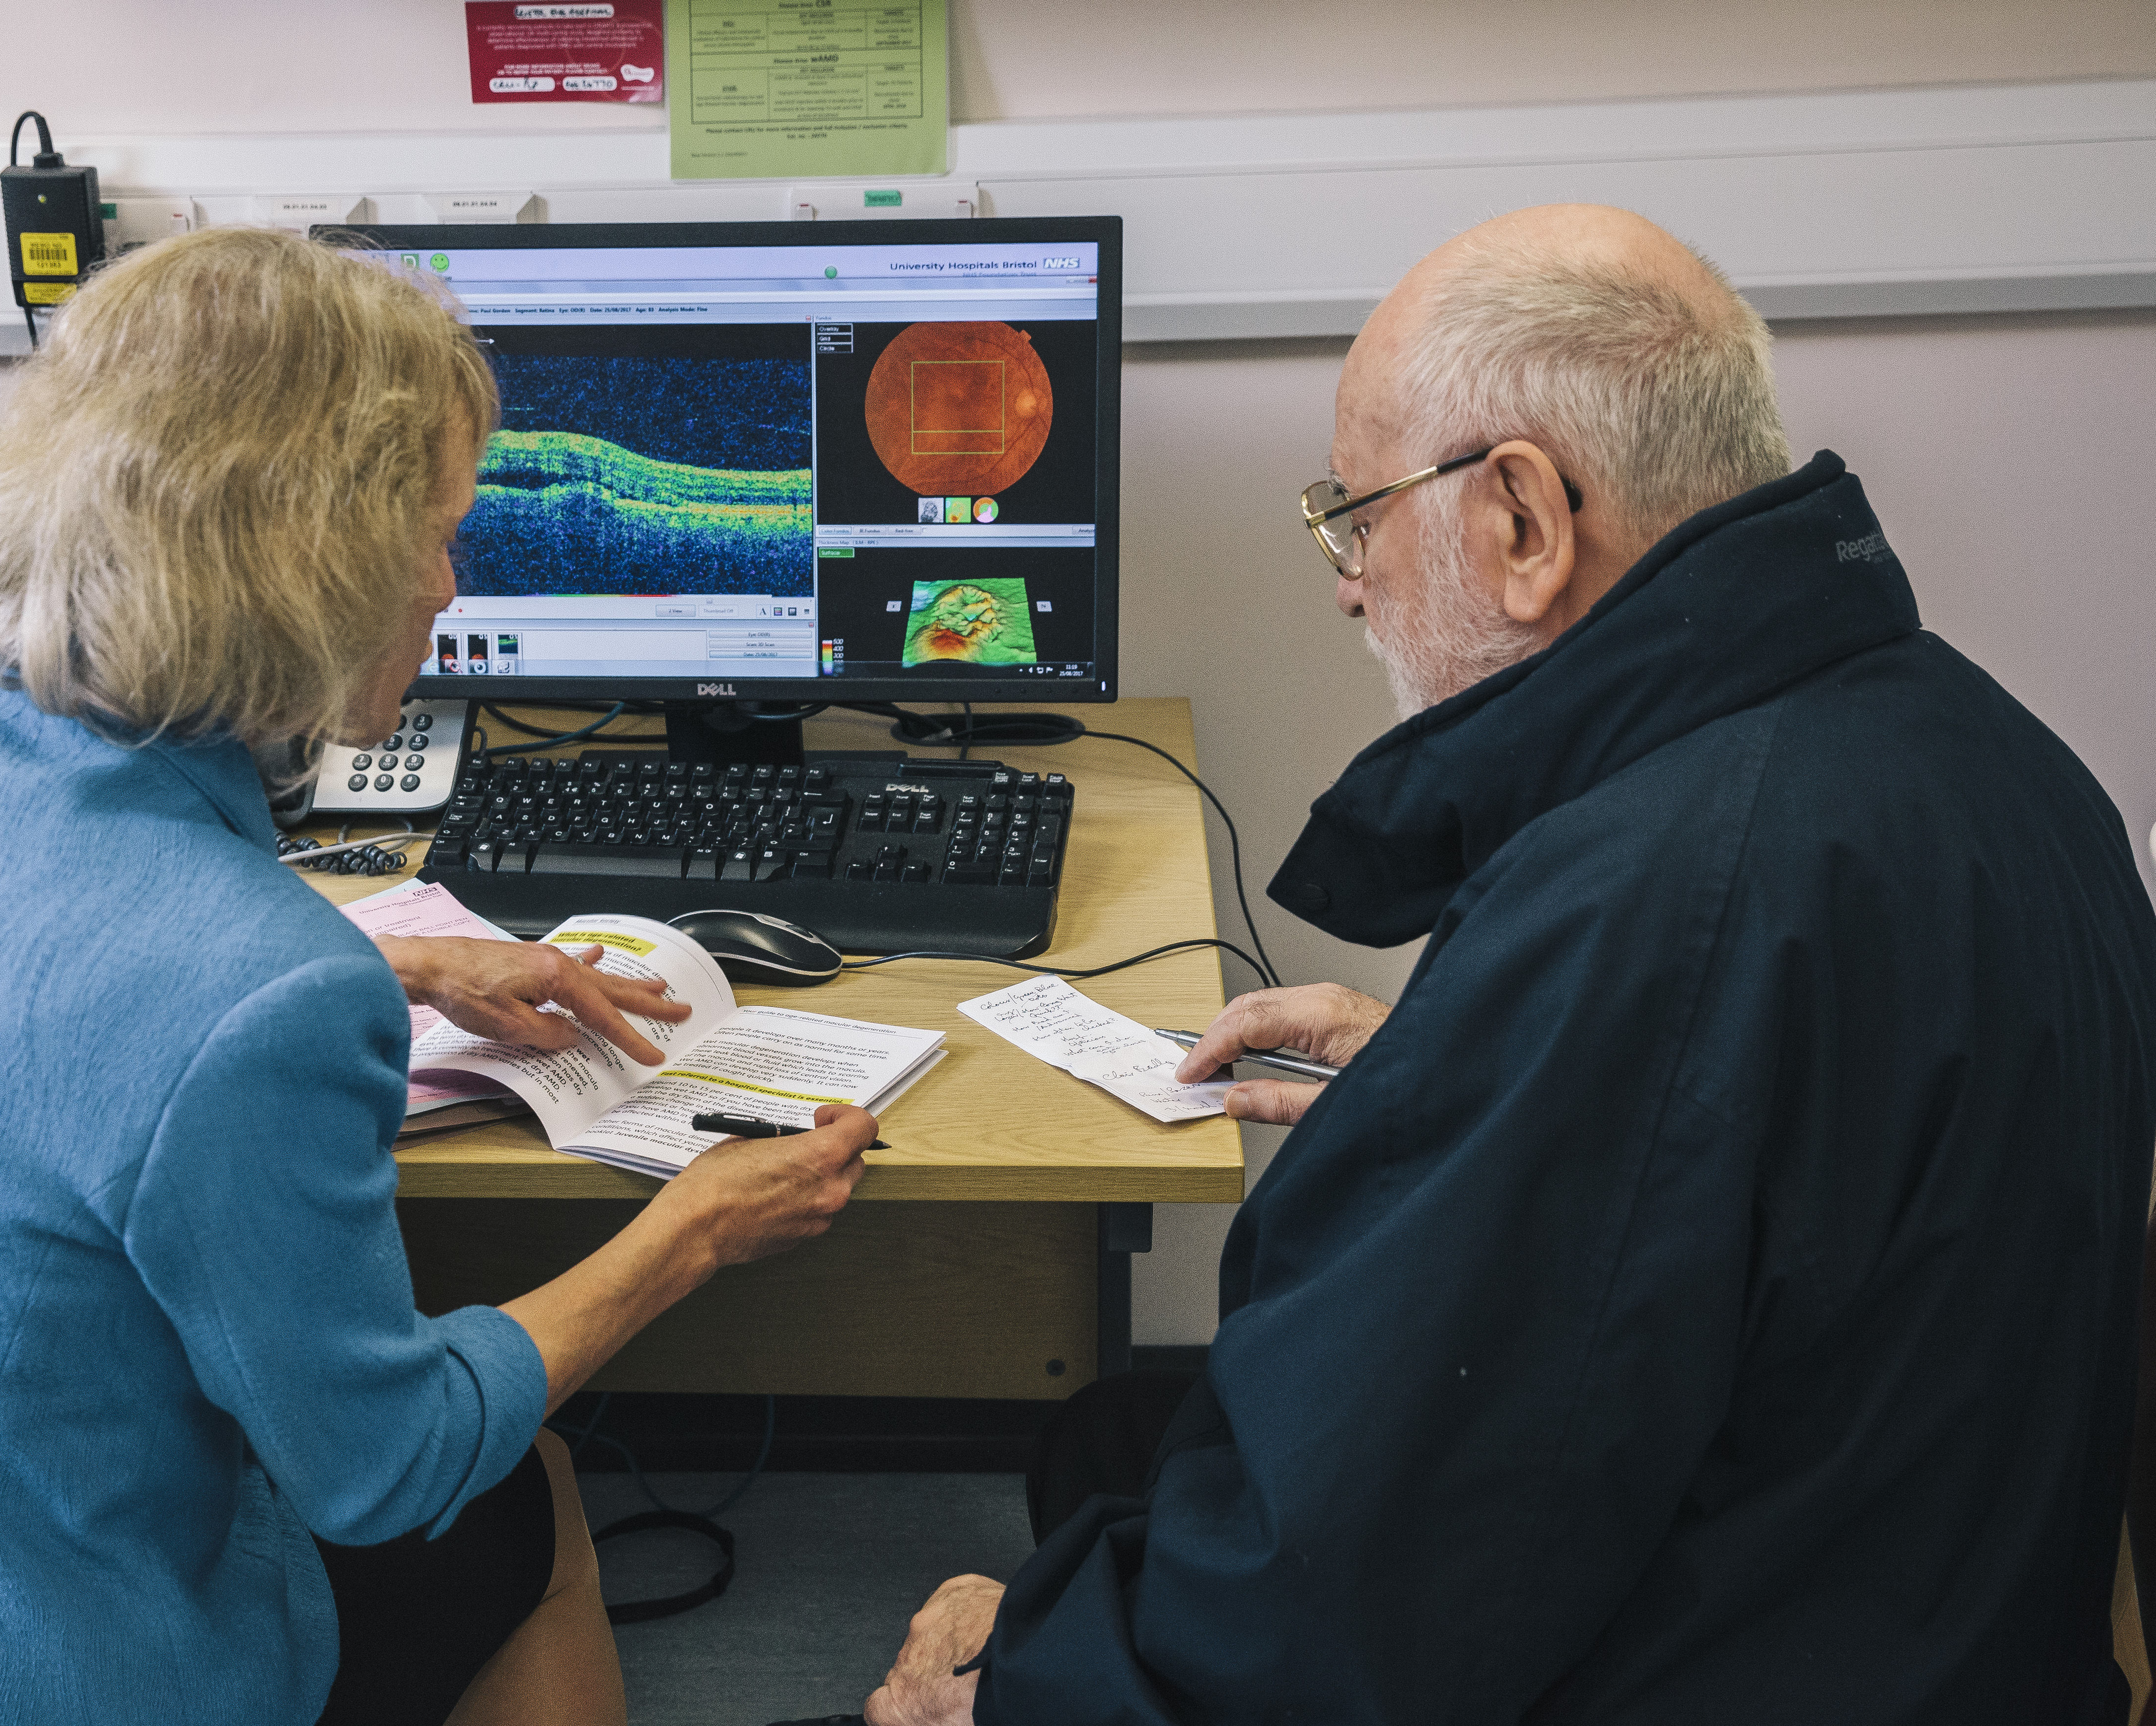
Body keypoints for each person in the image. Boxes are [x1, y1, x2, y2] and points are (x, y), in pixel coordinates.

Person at [852, 205, 2156, 1724]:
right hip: (1930, 1615)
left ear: (1524, 521)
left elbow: (1332, 1620)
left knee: (1057, 1571)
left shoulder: (1635, 913)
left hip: (1704, 1658)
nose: (1346, 581)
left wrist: (1011, 1682)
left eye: (1356, 516)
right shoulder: (1988, 754)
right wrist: (1463, 1065)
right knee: (1112, 1443)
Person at [0, 225, 877, 1726]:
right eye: (431, 531)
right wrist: (693, 1231)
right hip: (15, 1678)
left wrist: (405, 957)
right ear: (299, 564)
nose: (446, 579)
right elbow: (383, 1469)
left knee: (526, 1465)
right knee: (516, 1485)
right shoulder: (260, 997)